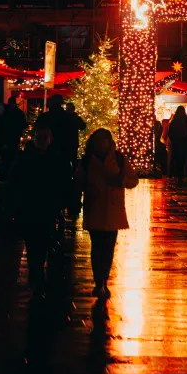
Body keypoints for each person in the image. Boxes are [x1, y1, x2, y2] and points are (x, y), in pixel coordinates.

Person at [8, 126, 72, 296]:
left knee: (41, 243)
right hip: (31, 207)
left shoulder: (54, 158)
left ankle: (37, 276)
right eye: (39, 137)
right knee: (34, 244)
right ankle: (37, 276)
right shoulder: (30, 157)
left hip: (46, 208)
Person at [76, 128, 139, 300]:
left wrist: (120, 180)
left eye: (104, 141)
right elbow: (78, 182)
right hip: (95, 209)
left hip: (113, 211)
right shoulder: (88, 160)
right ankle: (99, 280)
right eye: (98, 141)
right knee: (97, 248)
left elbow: (133, 180)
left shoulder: (118, 159)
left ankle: (103, 280)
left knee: (108, 248)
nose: (102, 145)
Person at [167, 105, 187, 182]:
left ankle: (173, 174)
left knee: (174, 158)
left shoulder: (174, 121)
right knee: (182, 159)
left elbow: (170, 133)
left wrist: (173, 140)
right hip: (184, 143)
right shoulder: (186, 120)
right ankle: (181, 175)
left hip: (176, 143)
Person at [63, 102, 86, 171]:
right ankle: (73, 174)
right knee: (73, 160)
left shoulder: (64, 118)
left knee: (65, 160)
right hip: (73, 142)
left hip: (65, 142)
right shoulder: (75, 118)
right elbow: (83, 126)